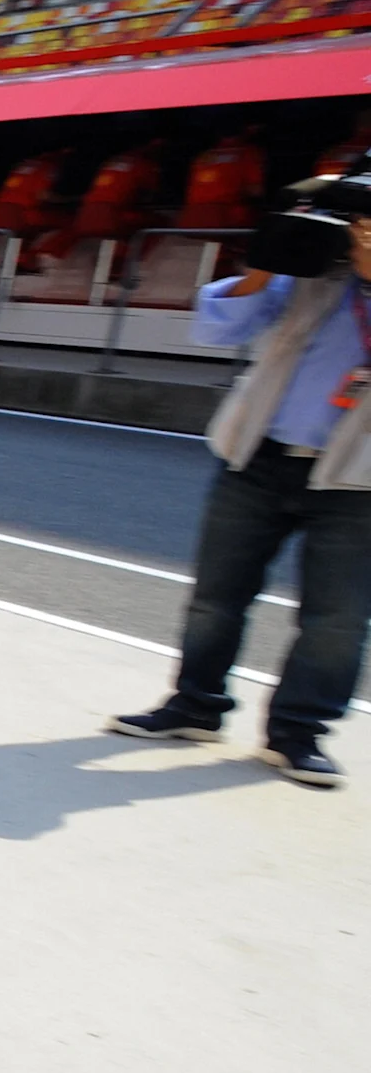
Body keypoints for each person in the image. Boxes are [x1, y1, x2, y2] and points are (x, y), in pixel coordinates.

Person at [107, 186, 371, 789]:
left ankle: (298, 735)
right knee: (216, 597)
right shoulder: (309, 266)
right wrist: (269, 256)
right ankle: (195, 706)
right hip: (258, 457)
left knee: (337, 617)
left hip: (358, 478)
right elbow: (219, 329)